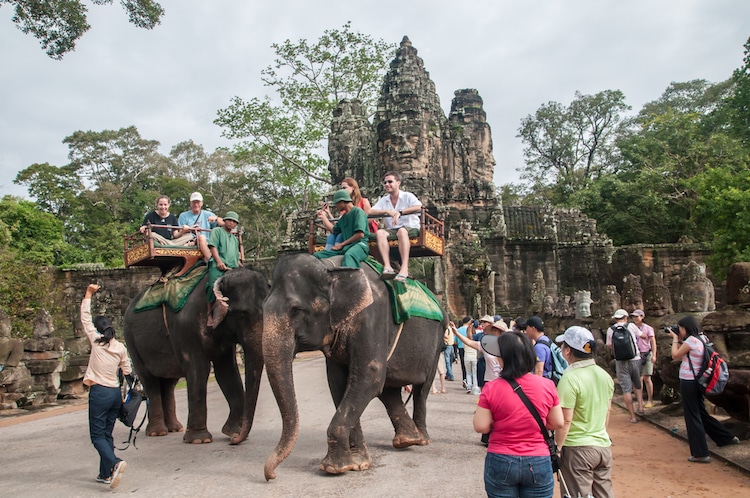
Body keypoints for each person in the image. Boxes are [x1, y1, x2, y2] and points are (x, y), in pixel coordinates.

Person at [473, 331, 564, 498]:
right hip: (538, 459)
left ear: (504, 358)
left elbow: (481, 426)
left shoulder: (491, 388)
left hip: (501, 457)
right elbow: (558, 422)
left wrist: (502, 422)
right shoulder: (548, 385)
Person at [669, 315, 739, 463]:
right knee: (701, 413)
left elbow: (675, 355)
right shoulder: (702, 338)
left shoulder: (691, 341)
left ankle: (700, 453)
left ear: (685, 328)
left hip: (689, 381)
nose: (679, 331)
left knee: (692, 416)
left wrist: (675, 338)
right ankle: (726, 438)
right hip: (698, 381)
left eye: (680, 328)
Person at [81, 283, 131, 489]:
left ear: (98, 328)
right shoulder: (120, 347)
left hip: (100, 392)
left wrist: (88, 294)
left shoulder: (96, 342)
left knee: (96, 436)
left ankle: (115, 463)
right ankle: (105, 474)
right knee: (107, 434)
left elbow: (85, 318)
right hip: (114, 394)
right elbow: (127, 371)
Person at [554, 326, 615, 498]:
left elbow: (565, 420)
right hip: (602, 446)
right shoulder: (605, 376)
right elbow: (607, 411)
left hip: (577, 448)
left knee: (577, 494)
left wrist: (557, 448)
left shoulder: (569, 379)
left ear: (567, 351)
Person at [369, 171, 422, 283]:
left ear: (398, 183)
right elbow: (370, 211)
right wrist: (387, 211)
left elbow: (419, 207)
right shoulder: (385, 200)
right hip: (392, 229)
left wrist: (400, 212)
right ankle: (387, 266)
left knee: (402, 231)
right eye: (385, 182)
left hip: (409, 226)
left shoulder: (407, 196)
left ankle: (404, 269)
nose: (387, 184)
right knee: (380, 233)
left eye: (390, 182)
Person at [313, 189, 370, 269]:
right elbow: (333, 230)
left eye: (336, 203)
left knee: (349, 255)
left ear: (342, 202)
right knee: (317, 255)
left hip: (360, 245)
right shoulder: (344, 217)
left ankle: (351, 280)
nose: (336, 206)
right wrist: (323, 217)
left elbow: (360, 235)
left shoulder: (358, 212)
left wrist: (341, 244)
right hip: (346, 247)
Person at [605, 308, 644, 422]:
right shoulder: (631, 326)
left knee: (626, 389)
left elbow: (609, 345)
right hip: (635, 358)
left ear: (615, 319)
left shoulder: (610, 330)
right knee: (637, 384)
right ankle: (641, 406)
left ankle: (632, 416)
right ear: (626, 318)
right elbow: (642, 335)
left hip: (620, 361)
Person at [206, 211, 242, 327]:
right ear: (224, 221)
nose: (231, 223)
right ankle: (209, 314)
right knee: (212, 286)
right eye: (229, 220)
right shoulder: (217, 231)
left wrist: (242, 267)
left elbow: (236, 257)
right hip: (218, 266)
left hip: (232, 268)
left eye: (234, 222)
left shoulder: (235, 239)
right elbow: (213, 246)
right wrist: (219, 262)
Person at [319, 177, 377, 250]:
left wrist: (353, 223)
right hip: (346, 232)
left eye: (344, 188)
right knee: (331, 236)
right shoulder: (344, 210)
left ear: (353, 187)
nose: (343, 190)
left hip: (359, 231)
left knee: (340, 235)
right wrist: (328, 213)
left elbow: (369, 220)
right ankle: (329, 252)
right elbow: (339, 225)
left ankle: (337, 251)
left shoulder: (363, 203)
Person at [176, 192, 224, 262]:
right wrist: (188, 229)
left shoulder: (208, 214)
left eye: (198, 202)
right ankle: (211, 261)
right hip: (191, 241)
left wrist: (216, 218)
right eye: (193, 202)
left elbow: (224, 224)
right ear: (190, 203)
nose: (196, 205)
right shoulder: (183, 216)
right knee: (201, 237)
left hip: (208, 243)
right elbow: (178, 234)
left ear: (201, 203)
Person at [631, 309, 657, 408]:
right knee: (638, 379)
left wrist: (654, 355)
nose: (635, 318)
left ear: (642, 317)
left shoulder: (648, 328)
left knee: (647, 378)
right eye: (634, 316)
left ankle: (650, 400)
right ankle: (640, 401)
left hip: (647, 353)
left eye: (637, 316)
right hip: (636, 354)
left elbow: (653, 342)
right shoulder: (631, 328)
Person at [455, 316, 471, 389]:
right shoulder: (470, 330)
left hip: (461, 348)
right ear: (468, 321)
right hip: (470, 348)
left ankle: (464, 379)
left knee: (463, 365)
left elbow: (455, 341)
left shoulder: (458, 330)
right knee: (470, 365)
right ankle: (470, 381)